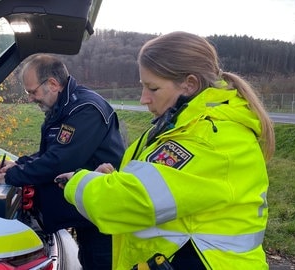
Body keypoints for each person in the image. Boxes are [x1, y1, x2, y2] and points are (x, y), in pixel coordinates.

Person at [57, 31, 275, 270]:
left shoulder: (210, 137)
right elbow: (163, 186)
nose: (143, 99)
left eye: (153, 88)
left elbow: (133, 202)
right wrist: (114, 180)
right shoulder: (183, 126)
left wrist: (78, 181)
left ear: (189, 84)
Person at [0, 53, 126, 270]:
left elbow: (59, 161)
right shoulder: (63, 108)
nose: (31, 98)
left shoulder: (85, 110)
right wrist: (20, 163)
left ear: (52, 84)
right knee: (87, 260)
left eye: (32, 92)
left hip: (103, 216)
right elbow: (51, 152)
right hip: (86, 213)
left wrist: (13, 176)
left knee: (100, 263)